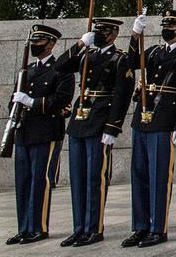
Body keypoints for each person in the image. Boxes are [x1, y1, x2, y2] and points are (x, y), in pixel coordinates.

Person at [122, 10, 176, 249]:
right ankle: (140, 226)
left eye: (172, 25)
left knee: (159, 176)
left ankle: (157, 228)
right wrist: (135, 35)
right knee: (139, 175)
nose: (167, 28)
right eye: (164, 24)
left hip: (165, 118)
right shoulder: (154, 51)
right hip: (143, 118)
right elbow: (132, 62)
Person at [54, 18, 133, 247]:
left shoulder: (120, 59)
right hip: (80, 118)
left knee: (95, 177)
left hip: (100, 120)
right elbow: (60, 66)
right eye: (96, 30)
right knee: (78, 177)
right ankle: (79, 228)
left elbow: (122, 95)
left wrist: (113, 126)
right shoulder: (87, 55)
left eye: (103, 30)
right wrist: (79, 44)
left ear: (113, 34)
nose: (98, 33)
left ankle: (94, 228)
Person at [6, 24, 74, 245]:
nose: (35, 46)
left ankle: (39, 227)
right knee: (23, 181)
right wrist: (15, 112)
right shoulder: (27, 70)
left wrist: (31, 103)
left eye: (39, 42)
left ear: (51, 44)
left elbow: (60, 100)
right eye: (33, 42)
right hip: (24, 131)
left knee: (39, 180)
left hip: (46, 131)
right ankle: (23, 227)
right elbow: (13, 100)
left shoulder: (61, 70)